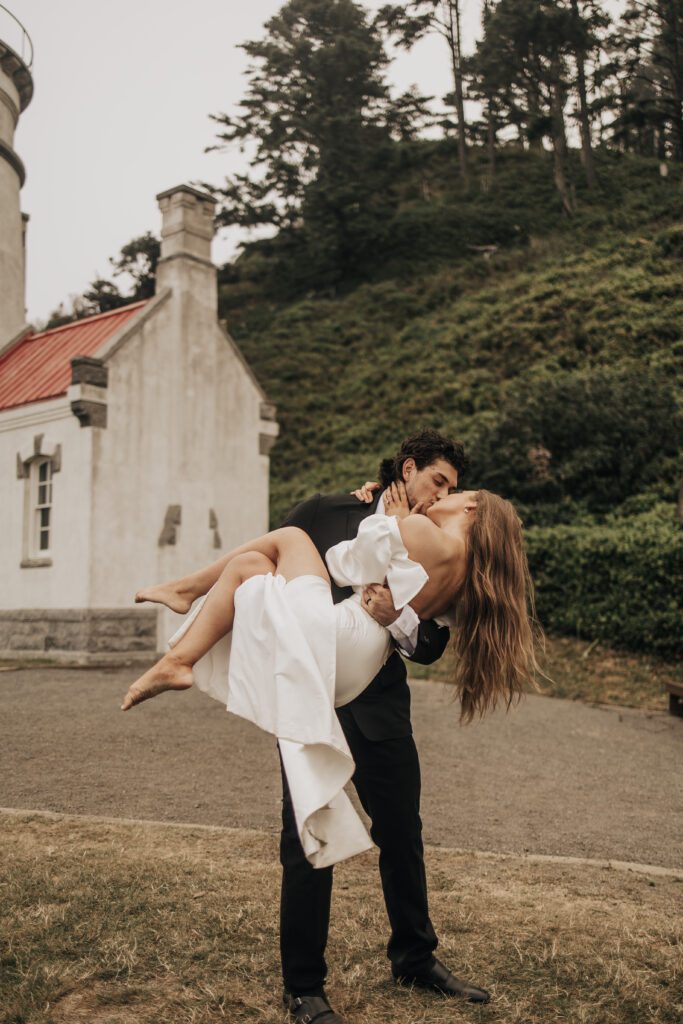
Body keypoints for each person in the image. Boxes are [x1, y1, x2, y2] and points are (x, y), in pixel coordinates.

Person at [123, 430, 541, 1022]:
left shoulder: (429, 533)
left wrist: (397, 615)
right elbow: (268, 580)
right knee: (306, 835)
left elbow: (429, 646)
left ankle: (415, 959)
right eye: (436, 481)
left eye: (451, 487)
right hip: (312, 686)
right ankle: (304, 987)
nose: (439, 493)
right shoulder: (327, 511)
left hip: (378, 704)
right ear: (409, 468)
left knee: (402, 831)